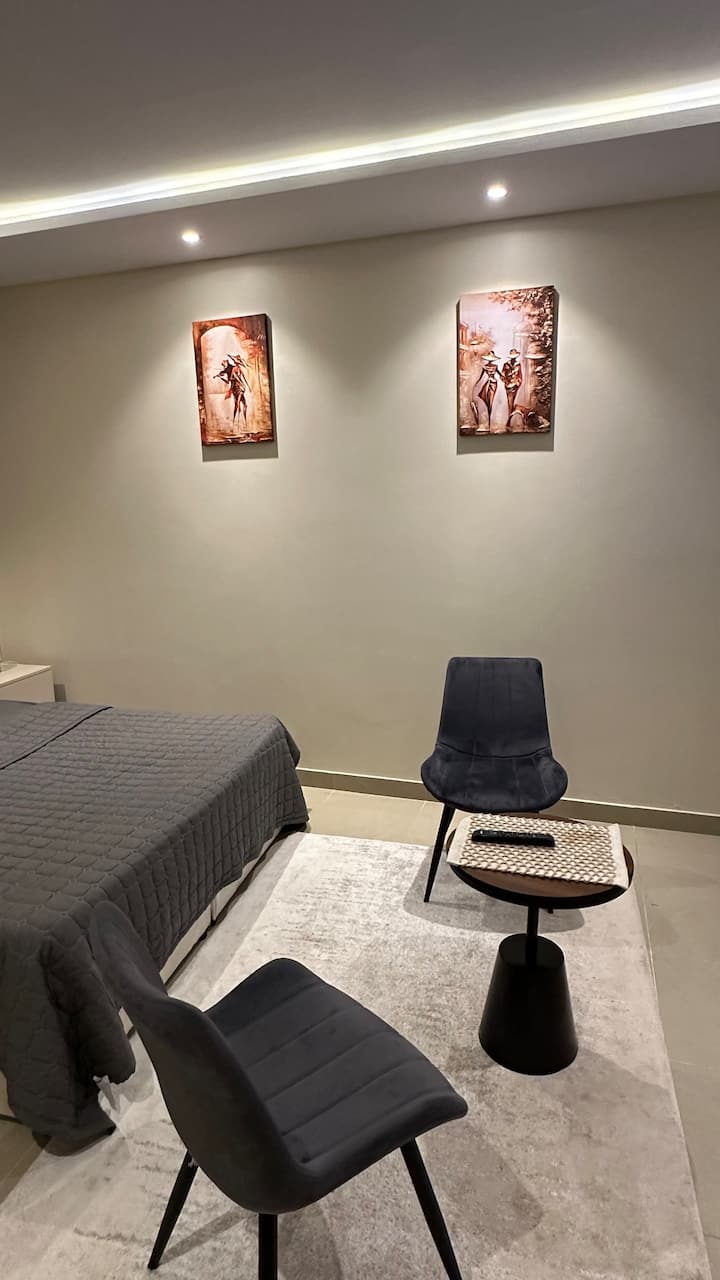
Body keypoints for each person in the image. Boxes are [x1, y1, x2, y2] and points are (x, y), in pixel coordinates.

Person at [500, 348, 523, 418]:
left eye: (514, 357)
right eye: (512, 357)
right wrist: (505, 380)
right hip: (508, 386)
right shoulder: (506, 364)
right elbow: (502, 375)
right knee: (510, 402)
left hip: (515, 386)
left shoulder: (518, 365)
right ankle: (509, 417)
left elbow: (520, 375)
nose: (513, 359)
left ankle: (510, 418)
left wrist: (518, 383)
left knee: (512, 402)